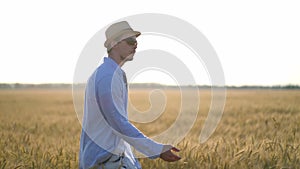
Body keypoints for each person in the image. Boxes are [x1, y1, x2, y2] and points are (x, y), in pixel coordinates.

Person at [79, 21, 181, 169]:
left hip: (110, 159)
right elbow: (117, 122)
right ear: (114, 44)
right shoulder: (107, 77)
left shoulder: (110, 74)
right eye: (130, 41)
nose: (135, 45)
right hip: (104, 161)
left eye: (136, 42)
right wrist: (156, 149)